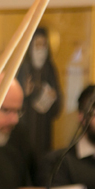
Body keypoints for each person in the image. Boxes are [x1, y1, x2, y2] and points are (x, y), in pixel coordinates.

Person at [17, 26, 62, 155]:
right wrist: (24, 94)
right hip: (27, 123)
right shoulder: (24, 67)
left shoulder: (50, 69)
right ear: (31, 46)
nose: (41, 48)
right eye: (38, 44)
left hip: (44, 126)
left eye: (44, 44)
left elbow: (57, 103)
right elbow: (14, 101)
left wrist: (54, 96)